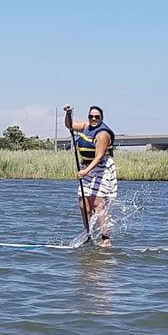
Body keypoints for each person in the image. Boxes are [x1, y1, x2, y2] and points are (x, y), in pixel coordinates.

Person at [63, 104, 117, 247]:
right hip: (87, 167)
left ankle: (106, 239)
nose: (93, 119)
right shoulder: (86, 126)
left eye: (97, 117)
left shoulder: (102, 134)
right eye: (91, 116)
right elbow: (70, 125)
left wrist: (85, 172)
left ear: (102, 118)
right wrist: (68, 114)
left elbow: (99, 157)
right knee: (84, 205)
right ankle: (89, 234)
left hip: (101, 168)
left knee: (98, 205)